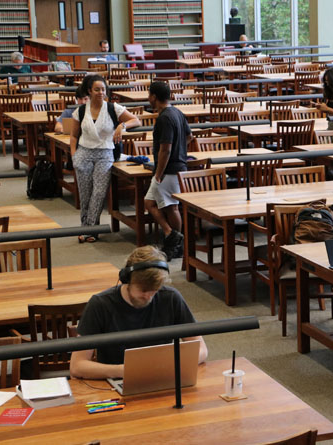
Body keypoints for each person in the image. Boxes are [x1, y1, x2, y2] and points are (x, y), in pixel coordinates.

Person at [70, 245, 208, 380]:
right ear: (127, 279)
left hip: (161, 376)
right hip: (116, 380)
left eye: (154, 290)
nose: (148, 296)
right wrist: (125, 371)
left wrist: (170, 366)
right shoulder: (100, 304)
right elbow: (77, 366)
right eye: (143, 290)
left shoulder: (170, 298)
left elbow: (201, 349)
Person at [69, 74, 140, 243]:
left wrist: (121, 126)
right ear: (89, 91)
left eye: (103, 89)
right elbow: (73, 136)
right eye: (97, 89)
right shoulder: (80, 110)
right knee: (85, 194)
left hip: (105, 154)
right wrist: (74, 156)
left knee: (99, 192)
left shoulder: (113, 108)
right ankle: (85, 228)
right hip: (84, 154)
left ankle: (91, 230)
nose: (101, 92)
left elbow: (136, 120)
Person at [144, 81, 190, 260]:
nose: (148, 98)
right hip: (175, 166)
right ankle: (171, 233)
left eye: (149, 95)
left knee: (172, 207)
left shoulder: (164, 118)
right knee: (149, 202)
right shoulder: (177, 112)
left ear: (154, 97)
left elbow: (165, 149)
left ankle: (176, 244)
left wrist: (159, 173)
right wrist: (182, 151)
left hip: (169, 170)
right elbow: (189, 136)